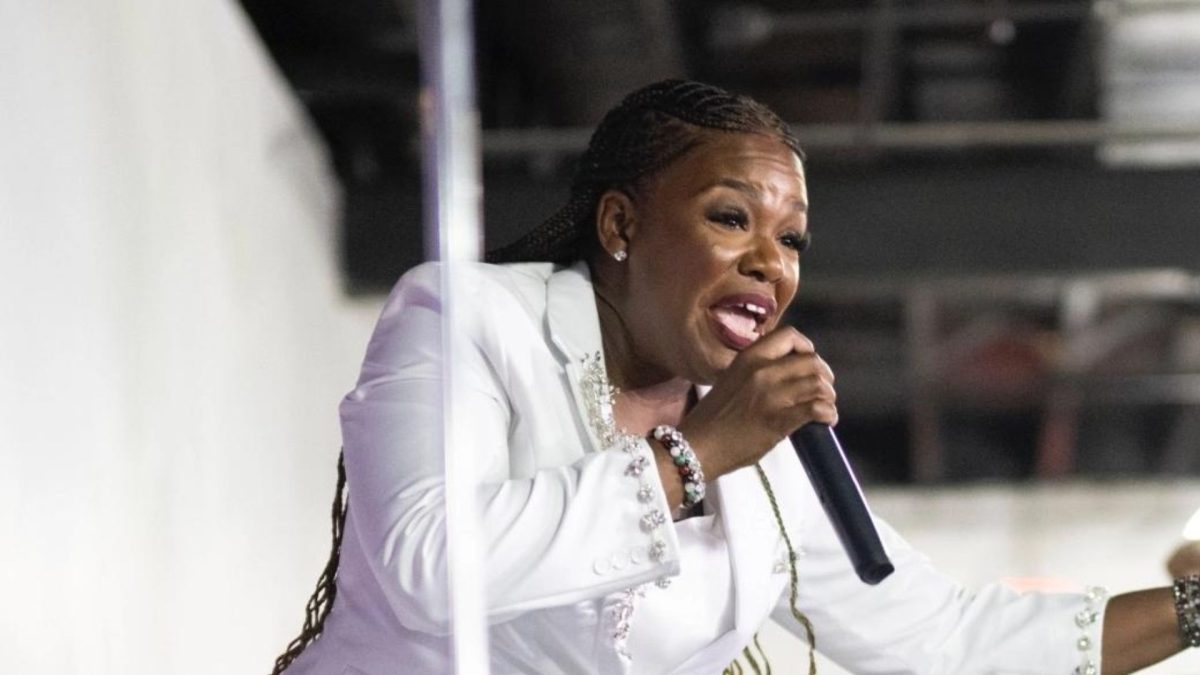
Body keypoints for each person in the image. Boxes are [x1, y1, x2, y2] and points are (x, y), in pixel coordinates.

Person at [272, 79, 1198, 674]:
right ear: (620, 226)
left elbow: (941, 638)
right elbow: (427, 568)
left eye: (790, 239)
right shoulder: (470, 321)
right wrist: (697, 455)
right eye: (730, 219)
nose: (771, 262)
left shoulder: (766, 453)